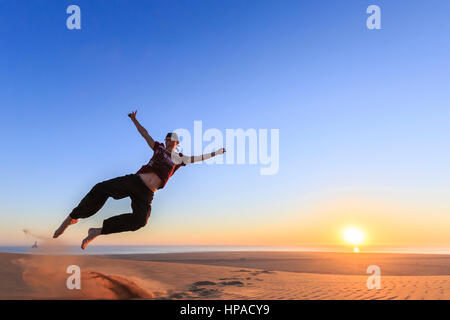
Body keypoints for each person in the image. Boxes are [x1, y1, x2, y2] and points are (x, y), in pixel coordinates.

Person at [53, 110, 225, 249]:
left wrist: (216, 153)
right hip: (135, 181)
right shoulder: (158, 148)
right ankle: (72, 218)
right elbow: (145, 134)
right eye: (167, 138)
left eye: (172, 139)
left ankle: (97, 231)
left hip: (147, 194)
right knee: (100, 188)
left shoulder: (180, 159)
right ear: (165, 141)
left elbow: (198, 158)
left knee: (140, 221)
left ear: (176, 142)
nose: (168, 141)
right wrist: (134, 120)